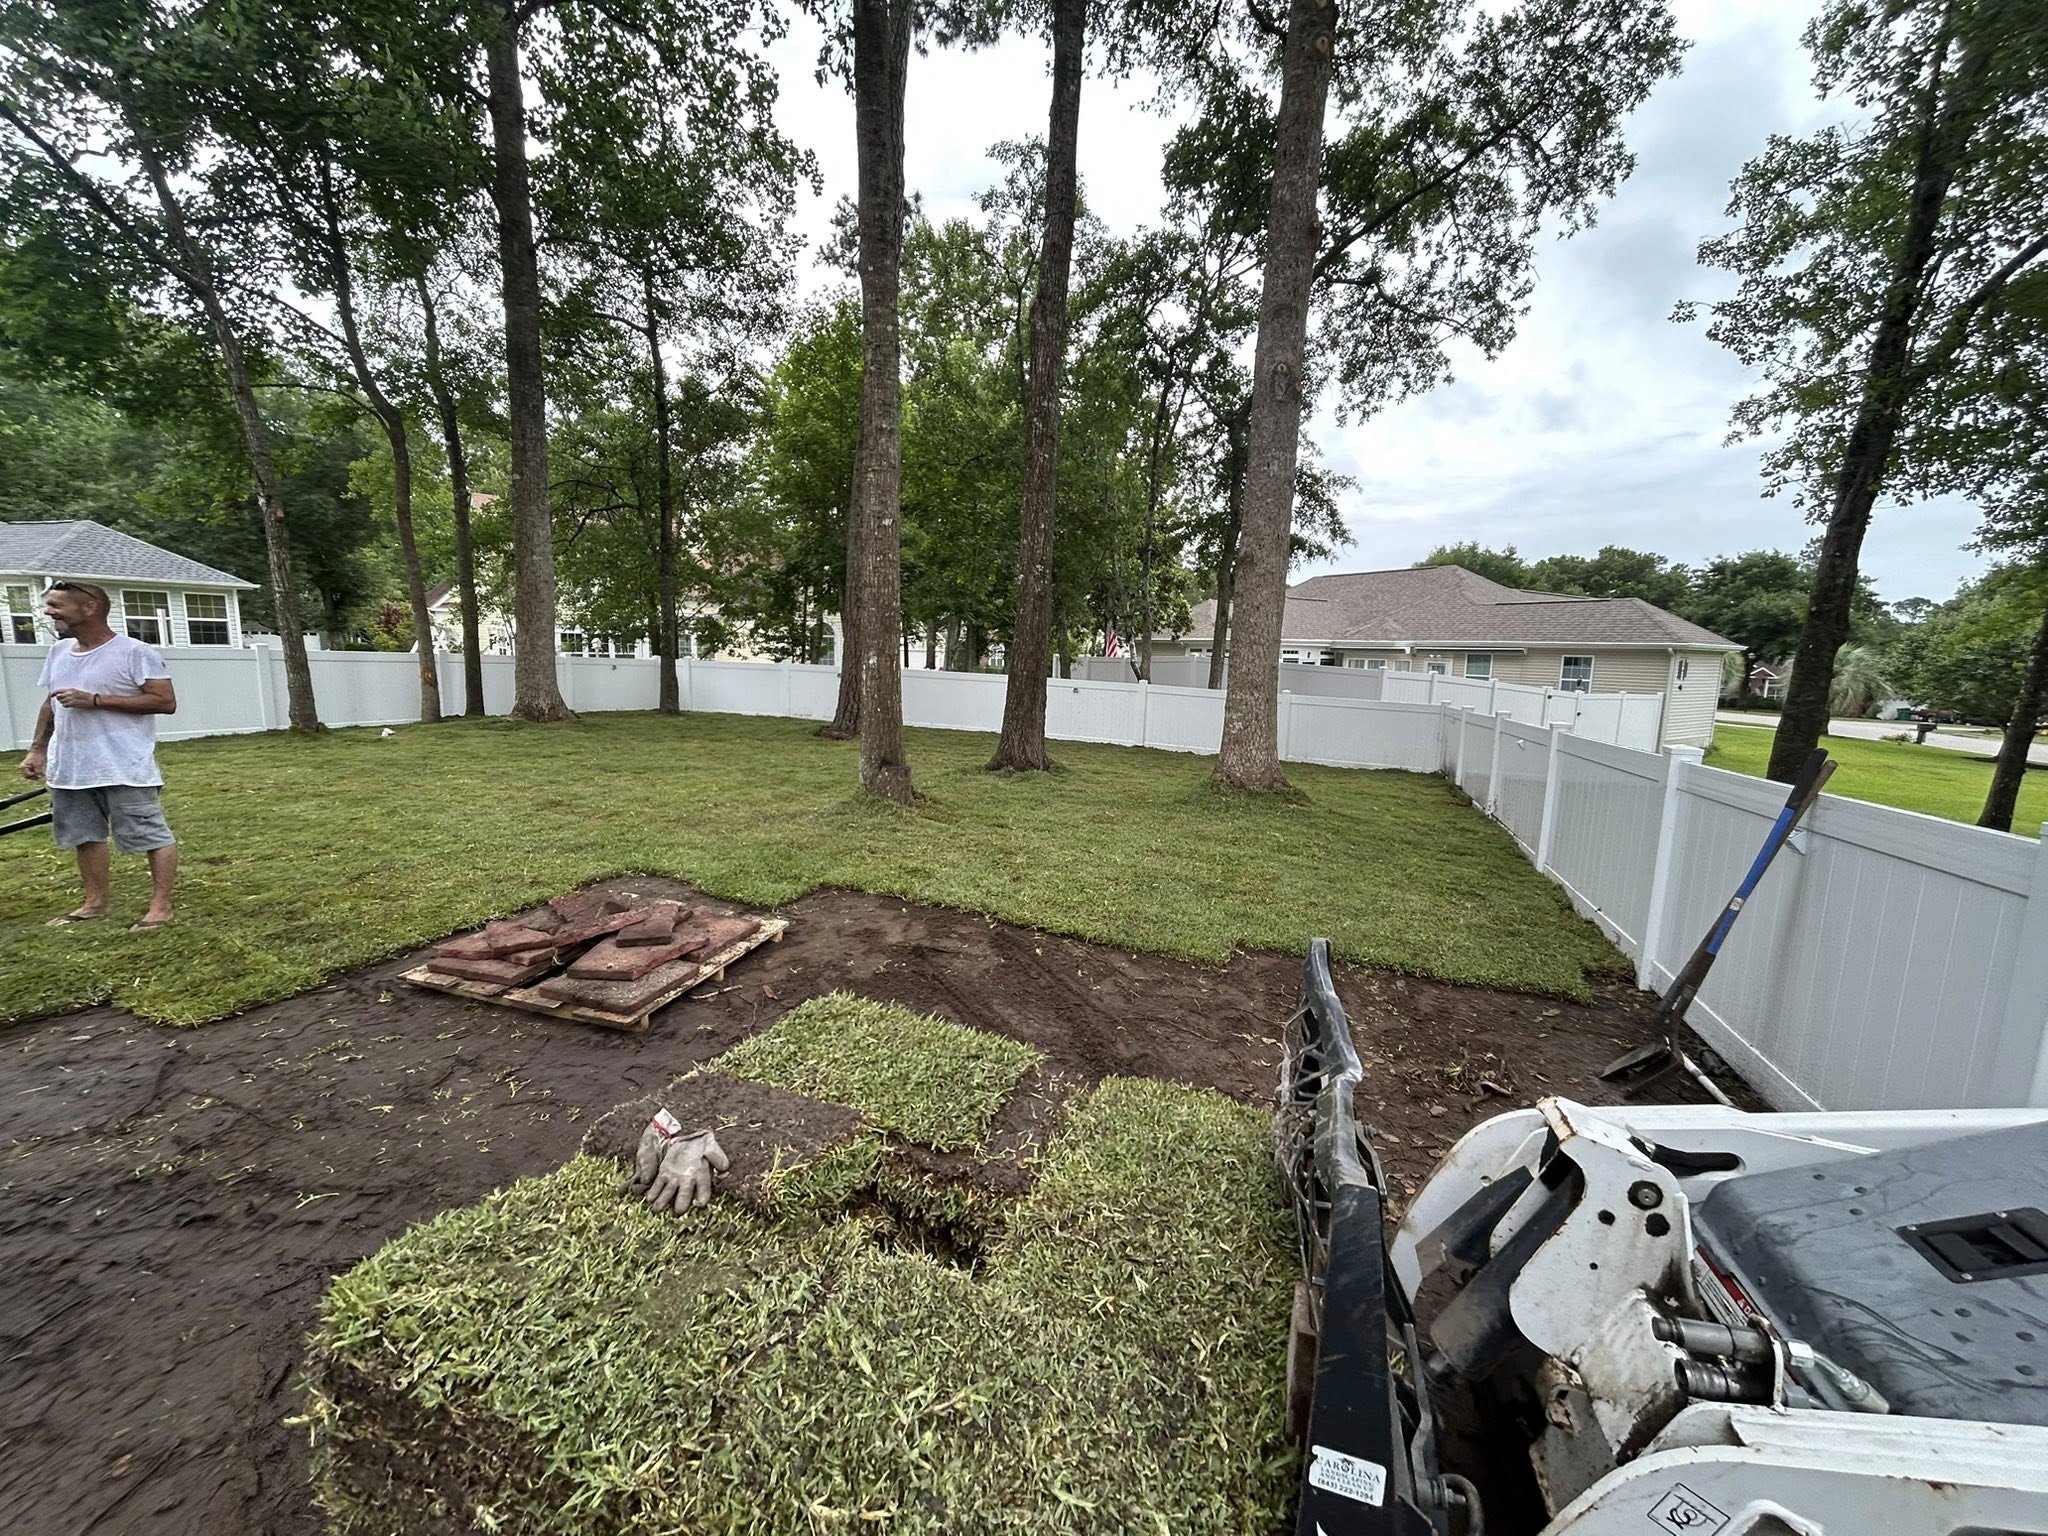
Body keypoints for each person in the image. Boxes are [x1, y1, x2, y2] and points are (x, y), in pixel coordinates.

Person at [17, 581, 180, 930]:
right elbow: (50, 704)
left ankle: (160, 908)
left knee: (150, 835)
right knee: (84, 837)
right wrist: (37, 749)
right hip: (70, 767)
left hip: (123, 765)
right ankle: (96, 903)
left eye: (57, 605)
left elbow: (165, 701)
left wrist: (95, 700)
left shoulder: (135, 652)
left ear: (89, 607)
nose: (49, 612)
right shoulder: (59, 652)